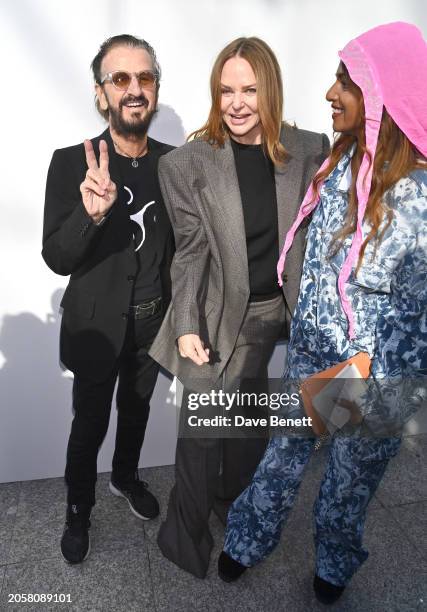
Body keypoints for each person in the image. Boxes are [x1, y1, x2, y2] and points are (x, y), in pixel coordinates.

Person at [218, 21, 427, 605]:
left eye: (346, 81)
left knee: (350, 479)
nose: (331, 92)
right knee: (283, 454)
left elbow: (418, 322)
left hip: (375, 379)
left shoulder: (421, 197)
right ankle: (246, 540)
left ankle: (333, 563)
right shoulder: (337, 163)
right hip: (314, 352)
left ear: (385, 93)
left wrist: (358, 384)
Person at [149, 36, 329, 578]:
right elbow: (189, 253)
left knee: (248, 422)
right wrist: (184, 325)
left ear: (269, 89)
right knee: (201, 427)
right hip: (211, 312)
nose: (237, 102)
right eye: (226, 90)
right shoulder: (188, 164)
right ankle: (185, 537)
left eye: (249, 89)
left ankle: (237, 508)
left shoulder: (308, 149)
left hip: (275, 310)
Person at [42, 34, 175, 564]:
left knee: (137, 411)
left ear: (155, 90)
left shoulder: (175, 164)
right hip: (96, 326)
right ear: (102, 94)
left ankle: (125, 477)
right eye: (120, 79)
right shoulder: (71, 162)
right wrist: (91, 216)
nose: (134, 89)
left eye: (143, 78)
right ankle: (79, 508)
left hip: (151, 325)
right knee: (89, 423)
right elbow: (56, 256)